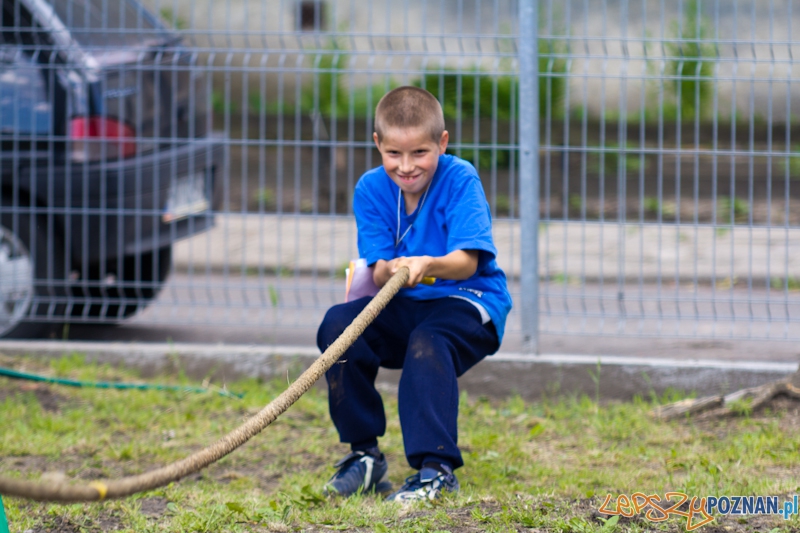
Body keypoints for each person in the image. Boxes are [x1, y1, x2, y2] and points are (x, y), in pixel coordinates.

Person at [317, 86, 512, 503]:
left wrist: (426, 264)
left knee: (430, 340)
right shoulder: (370, 189)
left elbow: (467, 261)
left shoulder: (460, 179)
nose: (406, 167)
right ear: (378, 145)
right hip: (403, 302)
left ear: (442, 143)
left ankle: (435, 470)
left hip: (468, 298)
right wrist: (394, 269)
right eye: (394, 155)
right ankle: (364, 456)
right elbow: (379, 264)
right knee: (338, 325)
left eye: (419, 153)